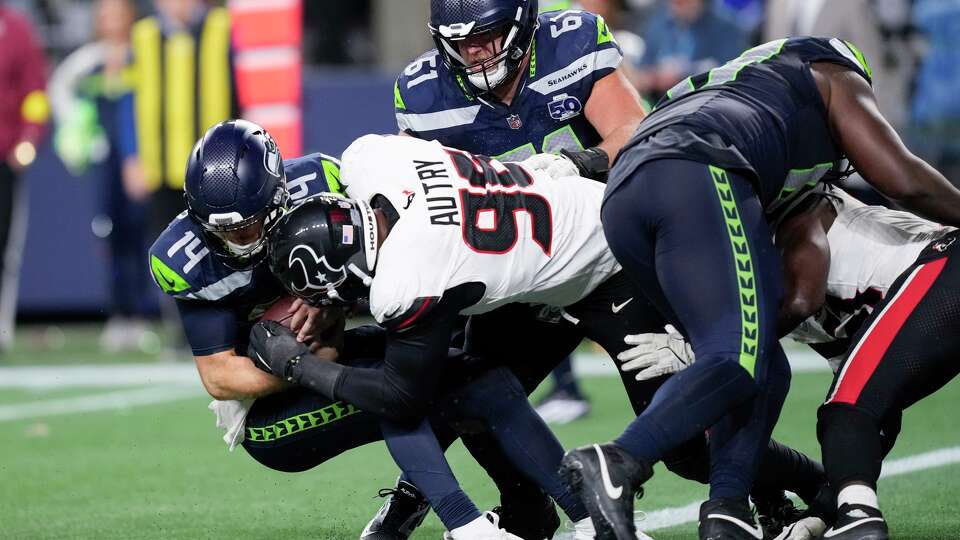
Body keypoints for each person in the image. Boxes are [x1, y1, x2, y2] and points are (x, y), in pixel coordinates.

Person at [252, 133, 829, 539]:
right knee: (479, 381)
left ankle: (811, 486)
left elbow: (399, 396)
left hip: (614, 265)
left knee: (685, 446)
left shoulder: (408, 274)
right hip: (562, 241)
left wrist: (296, 364)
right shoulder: (370, 160)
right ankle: (551, 514)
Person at [565, 36, 960, 540]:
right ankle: (622, 459)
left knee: (758, 365)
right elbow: (901, 180)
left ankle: (727, 512)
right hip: (700, 171)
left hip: (626, 197)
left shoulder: (737, 100)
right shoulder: (826, 79)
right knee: (743, 355)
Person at [396, 0, 649, 426]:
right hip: (523, 275)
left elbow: (634, 130)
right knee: (472, 404)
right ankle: (421, 493)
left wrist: (580, 163)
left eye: (483, 37)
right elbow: (414, 196)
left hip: (608, 256)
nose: (473, 52)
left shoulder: (572, 41)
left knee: (689, 449)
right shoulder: (425, 94)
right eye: (459, 42)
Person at [131, 0, 236, 354]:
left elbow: (244, 92)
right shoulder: (144, 35)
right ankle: (180, 331)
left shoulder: (222, 28)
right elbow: (130, 99)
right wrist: (133, 156)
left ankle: (224, 326)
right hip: (160, 165)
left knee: (218, 248)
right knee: (169, 250)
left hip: (213, 168)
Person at [49, 0, 153, 351]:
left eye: (117, 13)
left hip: (138, 161)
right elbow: (60, 89)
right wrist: (79, 137)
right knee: (110, 235)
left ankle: (141, 314)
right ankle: (118, 314)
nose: (111, 21)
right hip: (105, 163)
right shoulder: (88, 59)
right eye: (104, 15)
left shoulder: (144, 54)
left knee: (141, 234)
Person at [0, 1, 48, 353]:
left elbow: (34, 91)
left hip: (4, 156)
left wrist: (29, 135)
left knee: (4, 244)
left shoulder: (15, 29)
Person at [632, 0, 747, 101]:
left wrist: (681, 74)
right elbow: (642, 71)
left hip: (705, 102)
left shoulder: (726, 26)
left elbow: (730, 72)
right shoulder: (658, 24)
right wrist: (653, 77)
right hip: (660, 102)